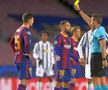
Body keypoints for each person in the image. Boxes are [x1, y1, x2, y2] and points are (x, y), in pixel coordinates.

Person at [74, 4, 108, 90]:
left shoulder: (99, 31)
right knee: (102, 79)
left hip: (97, 57)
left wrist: (104, 59)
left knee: (95, 79)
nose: (90, 22)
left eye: (92, 21)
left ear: (96, 22)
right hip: (98, 56)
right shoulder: (98, 29)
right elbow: (87, 20)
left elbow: (103, 45)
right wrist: (79, 11)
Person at [9, 13, 34, 90]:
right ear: (29, 20)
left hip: (18, 58)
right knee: (24, 81)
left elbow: (11, 43)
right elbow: (27, 43)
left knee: (22, 81)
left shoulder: (18, 29)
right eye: (32, 20)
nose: (33, 22)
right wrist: (29, 54)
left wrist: (16, 53)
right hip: (24, 58)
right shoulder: (27, 31)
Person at [54, 20, 71, 90]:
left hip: (68, 65)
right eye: (68, 25)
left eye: (69, 25)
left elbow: (70, 52)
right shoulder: (58, 37)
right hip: (61, 64)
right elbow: (56, 48)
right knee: (59, 83)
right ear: (62, 27)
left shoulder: (68, 38)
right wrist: (57, 55)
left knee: (67, 83)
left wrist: (78, 59)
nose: (70, 27)